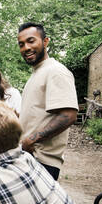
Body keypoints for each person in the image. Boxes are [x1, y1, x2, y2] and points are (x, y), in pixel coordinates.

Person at [17, 22, 78, 180]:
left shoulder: (56, 71)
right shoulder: (37, 74)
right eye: (21, 44)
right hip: (28, 158)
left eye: (31, 41)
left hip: (42, 162)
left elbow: (68, 115)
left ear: (45, 41)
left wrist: (31, 139)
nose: (26, 48)